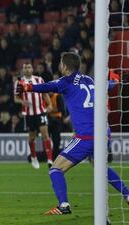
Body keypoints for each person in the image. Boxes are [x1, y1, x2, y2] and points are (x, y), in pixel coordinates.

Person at [16, 52, 129, 215]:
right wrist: (114, 82)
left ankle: (63, 205)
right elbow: (106, 86)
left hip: (86, 136)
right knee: (101, 167)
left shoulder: (66, 81)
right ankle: (127, 193)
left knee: (55, 169)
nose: (59, 66)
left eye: (61, 63)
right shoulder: (89, 80)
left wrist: (28, 87)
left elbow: (48, 86)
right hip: (104, 132)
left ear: (65, 67)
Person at [14, 63, 53, 169]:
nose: (27, 69)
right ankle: (34, 157)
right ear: (23, 70)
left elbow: (44, 94)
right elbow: (16, 98)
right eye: (25, 68)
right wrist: (22, 101)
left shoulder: (39, 79)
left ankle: (50, 159)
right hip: (29, 114)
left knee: (45, 134)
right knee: (32, 138)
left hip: (41, 111)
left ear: (32, 69)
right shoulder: (19, 82)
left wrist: (49, 104)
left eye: (29, 67)